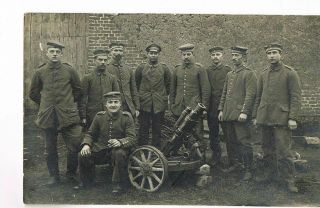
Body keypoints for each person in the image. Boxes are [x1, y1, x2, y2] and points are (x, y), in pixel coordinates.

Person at [29, 40, 83, 186]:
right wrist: (46, 104)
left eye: (57, 52)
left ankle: (71, 174)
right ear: (47, 53)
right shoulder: (40, 71)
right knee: (50, 148)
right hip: (48, 116)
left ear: (61, 54)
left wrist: (68, 103)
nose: (54, 54)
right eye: (52, 51)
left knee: (74, 145)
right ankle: (54, 176)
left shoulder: (69, 70)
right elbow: (33, 93)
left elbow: (78, 90)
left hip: (67, 114)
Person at [253, 43, 301, 193]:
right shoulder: (263, 74)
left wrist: (292, 117)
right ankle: (269, 175)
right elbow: (258, 96)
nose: (272, 56)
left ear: (281, 54)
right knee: (267, 149)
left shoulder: (290, 73)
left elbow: (295, 97)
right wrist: (256, 115)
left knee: (284, 151)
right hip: (265, 117)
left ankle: (289, 180)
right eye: (269, 53)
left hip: (282, 118)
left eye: (274, 52)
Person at [76, 91, 136, 193]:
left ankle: (118, 184)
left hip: (121, 151)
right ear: (106, 104)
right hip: (102, 149)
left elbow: (132, 138)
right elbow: (90, 134)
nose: (113, 105)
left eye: (116, 102)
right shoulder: (99, 116)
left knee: (119, 153)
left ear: (120, 104)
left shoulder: (127, 117)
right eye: (110, 102)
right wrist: (86, 144)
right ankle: (86, 182)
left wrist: (120, 142)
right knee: (83, 154)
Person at [218, 46, 257, 180]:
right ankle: (235, 164)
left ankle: (248, 169)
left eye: (237, 55)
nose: (234, 58)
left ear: (243, 57)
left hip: (240, 114)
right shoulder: (230, 74)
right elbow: (224, 93)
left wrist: (244, 112)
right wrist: (221, 110)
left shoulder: (248, 73)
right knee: (230, 140)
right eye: (233, 55)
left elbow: (250, 95)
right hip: (228, 114)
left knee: (243, 141)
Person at [169, 43, 210, 145]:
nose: (186, 57)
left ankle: (199, 158)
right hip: (179, 108)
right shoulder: (177, 69)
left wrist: (204, 108)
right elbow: (172, 90)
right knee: (179, 133)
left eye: (188, 54)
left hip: (194, 108)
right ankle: (182, 157)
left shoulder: (199, 69)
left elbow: (205, 90)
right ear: (181, 56)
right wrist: (172, 106)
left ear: (192, 54)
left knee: (196, 134)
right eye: (184, 55)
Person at [135, 43, 171, 148]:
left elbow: (168, 85)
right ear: (147, 54)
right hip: (144, 103)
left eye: (155, 53)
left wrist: (161, 96)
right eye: (151, 53)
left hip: (159, 104)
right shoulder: (141, 68)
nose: (153, 55)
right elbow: (136, 84)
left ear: (159, 54)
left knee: (157, 128)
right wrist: (141, 97)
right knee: (143, 128)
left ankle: (156, 150)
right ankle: (143, 149)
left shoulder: (164, 69)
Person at [79, 48, 119, 128]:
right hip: (92, 115)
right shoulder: (87, 78)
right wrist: (83, 116)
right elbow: (83, 98)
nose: (103, 62)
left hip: (109, 114)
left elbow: (117, 97)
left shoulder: (112, 78)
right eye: (100, 60)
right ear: (94, 60)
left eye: (105, 60)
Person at [206, 46, 231, 168]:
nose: (215, 57)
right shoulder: (207, 71)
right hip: (211, 108)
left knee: (228, 133)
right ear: (211, 57)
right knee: (213, 133)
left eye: (218, 54)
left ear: (222, 56)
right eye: (213, 55)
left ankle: (232, 159)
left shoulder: (228, 70)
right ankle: (216, 156)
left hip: (225, 107)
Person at [106, 42, 140, 118]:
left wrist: (137, 107)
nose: (118, 53)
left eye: (120, 50)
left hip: (128, 106)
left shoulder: (128, 69)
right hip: (112, 106)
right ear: (110, 52)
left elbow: (133, 89)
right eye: (115, 50)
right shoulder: (106, 68)